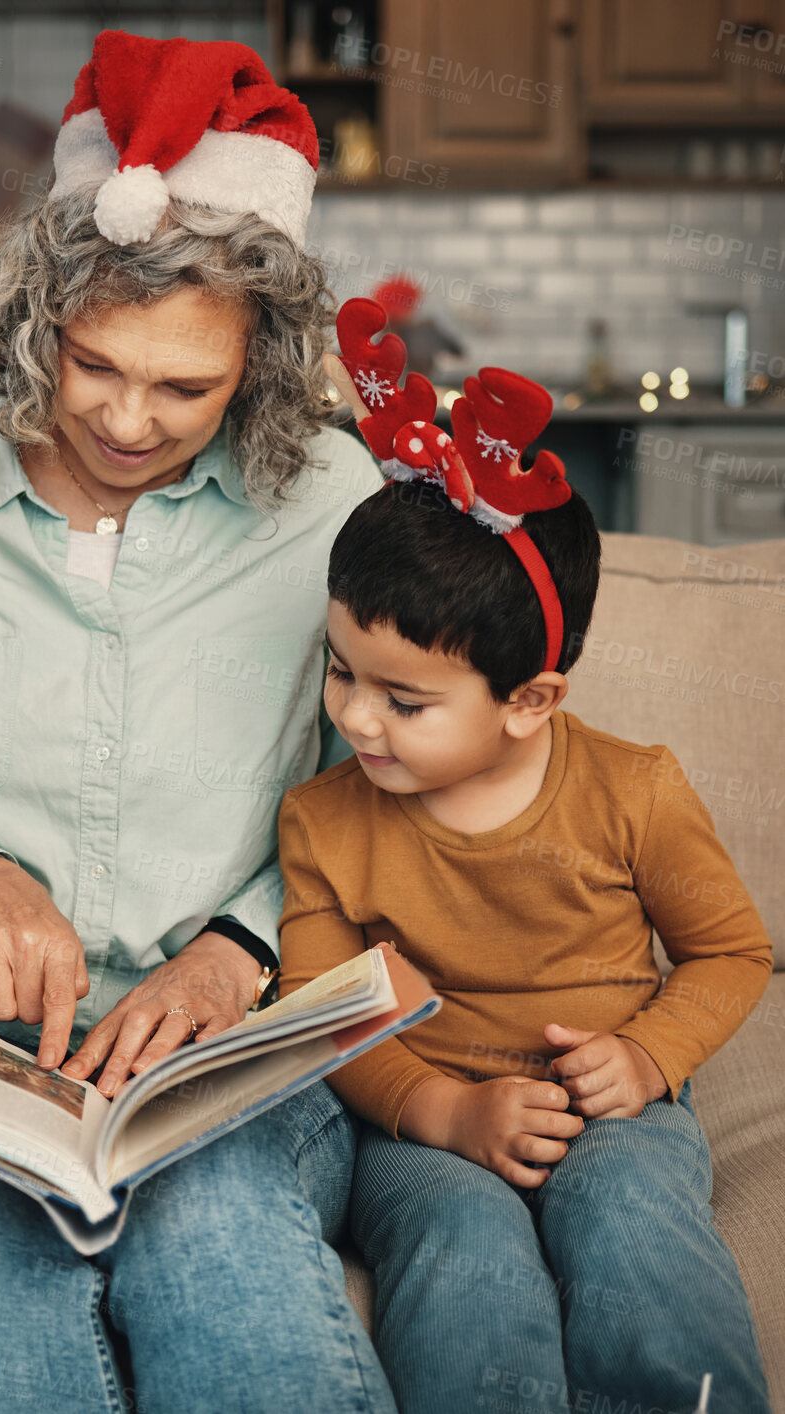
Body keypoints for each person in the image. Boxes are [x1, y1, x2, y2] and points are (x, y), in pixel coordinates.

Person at [0, 30, 397, 1414]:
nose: (128, 419)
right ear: (35, 322)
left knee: (222, 1259)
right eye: (91, 366)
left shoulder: (328, 501)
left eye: (185, 387)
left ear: (258, 364)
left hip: (218, 1061)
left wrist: (236, 949)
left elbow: (377, 799)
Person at [277, 298, 773, 1414]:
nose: (355, 719)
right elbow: (322, 1007)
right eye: (341, 669)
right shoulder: (323, 819)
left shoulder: (632, 790)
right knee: (461, 1250)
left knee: (634, 1225)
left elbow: (729, 953)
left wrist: (646, 1059)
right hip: (426, 1117)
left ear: (530, 700)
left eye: (403, 700)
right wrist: (444, 1113)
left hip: (613, 1106)